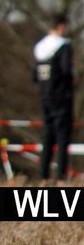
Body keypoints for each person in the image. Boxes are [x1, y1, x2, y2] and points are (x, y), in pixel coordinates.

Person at [33, 12, 74, 184]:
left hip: (45, 96)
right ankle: (61, 176)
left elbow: (35, 76)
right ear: (62, 25)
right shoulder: (63, 46)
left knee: (48, 135)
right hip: (61, 96)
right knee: (63, 136)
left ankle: (44, 175)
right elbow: (66, 71)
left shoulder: (39, 47)